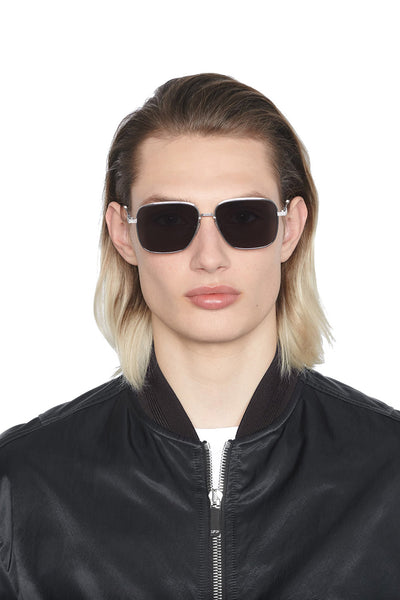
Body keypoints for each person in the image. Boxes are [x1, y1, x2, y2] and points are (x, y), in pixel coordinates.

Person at [1, 73, 400, 600]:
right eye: (169, 221)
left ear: (290, 228)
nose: (209, 257)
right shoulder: (23, 486)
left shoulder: (388, 473)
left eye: (246, 217)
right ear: (124, 233)